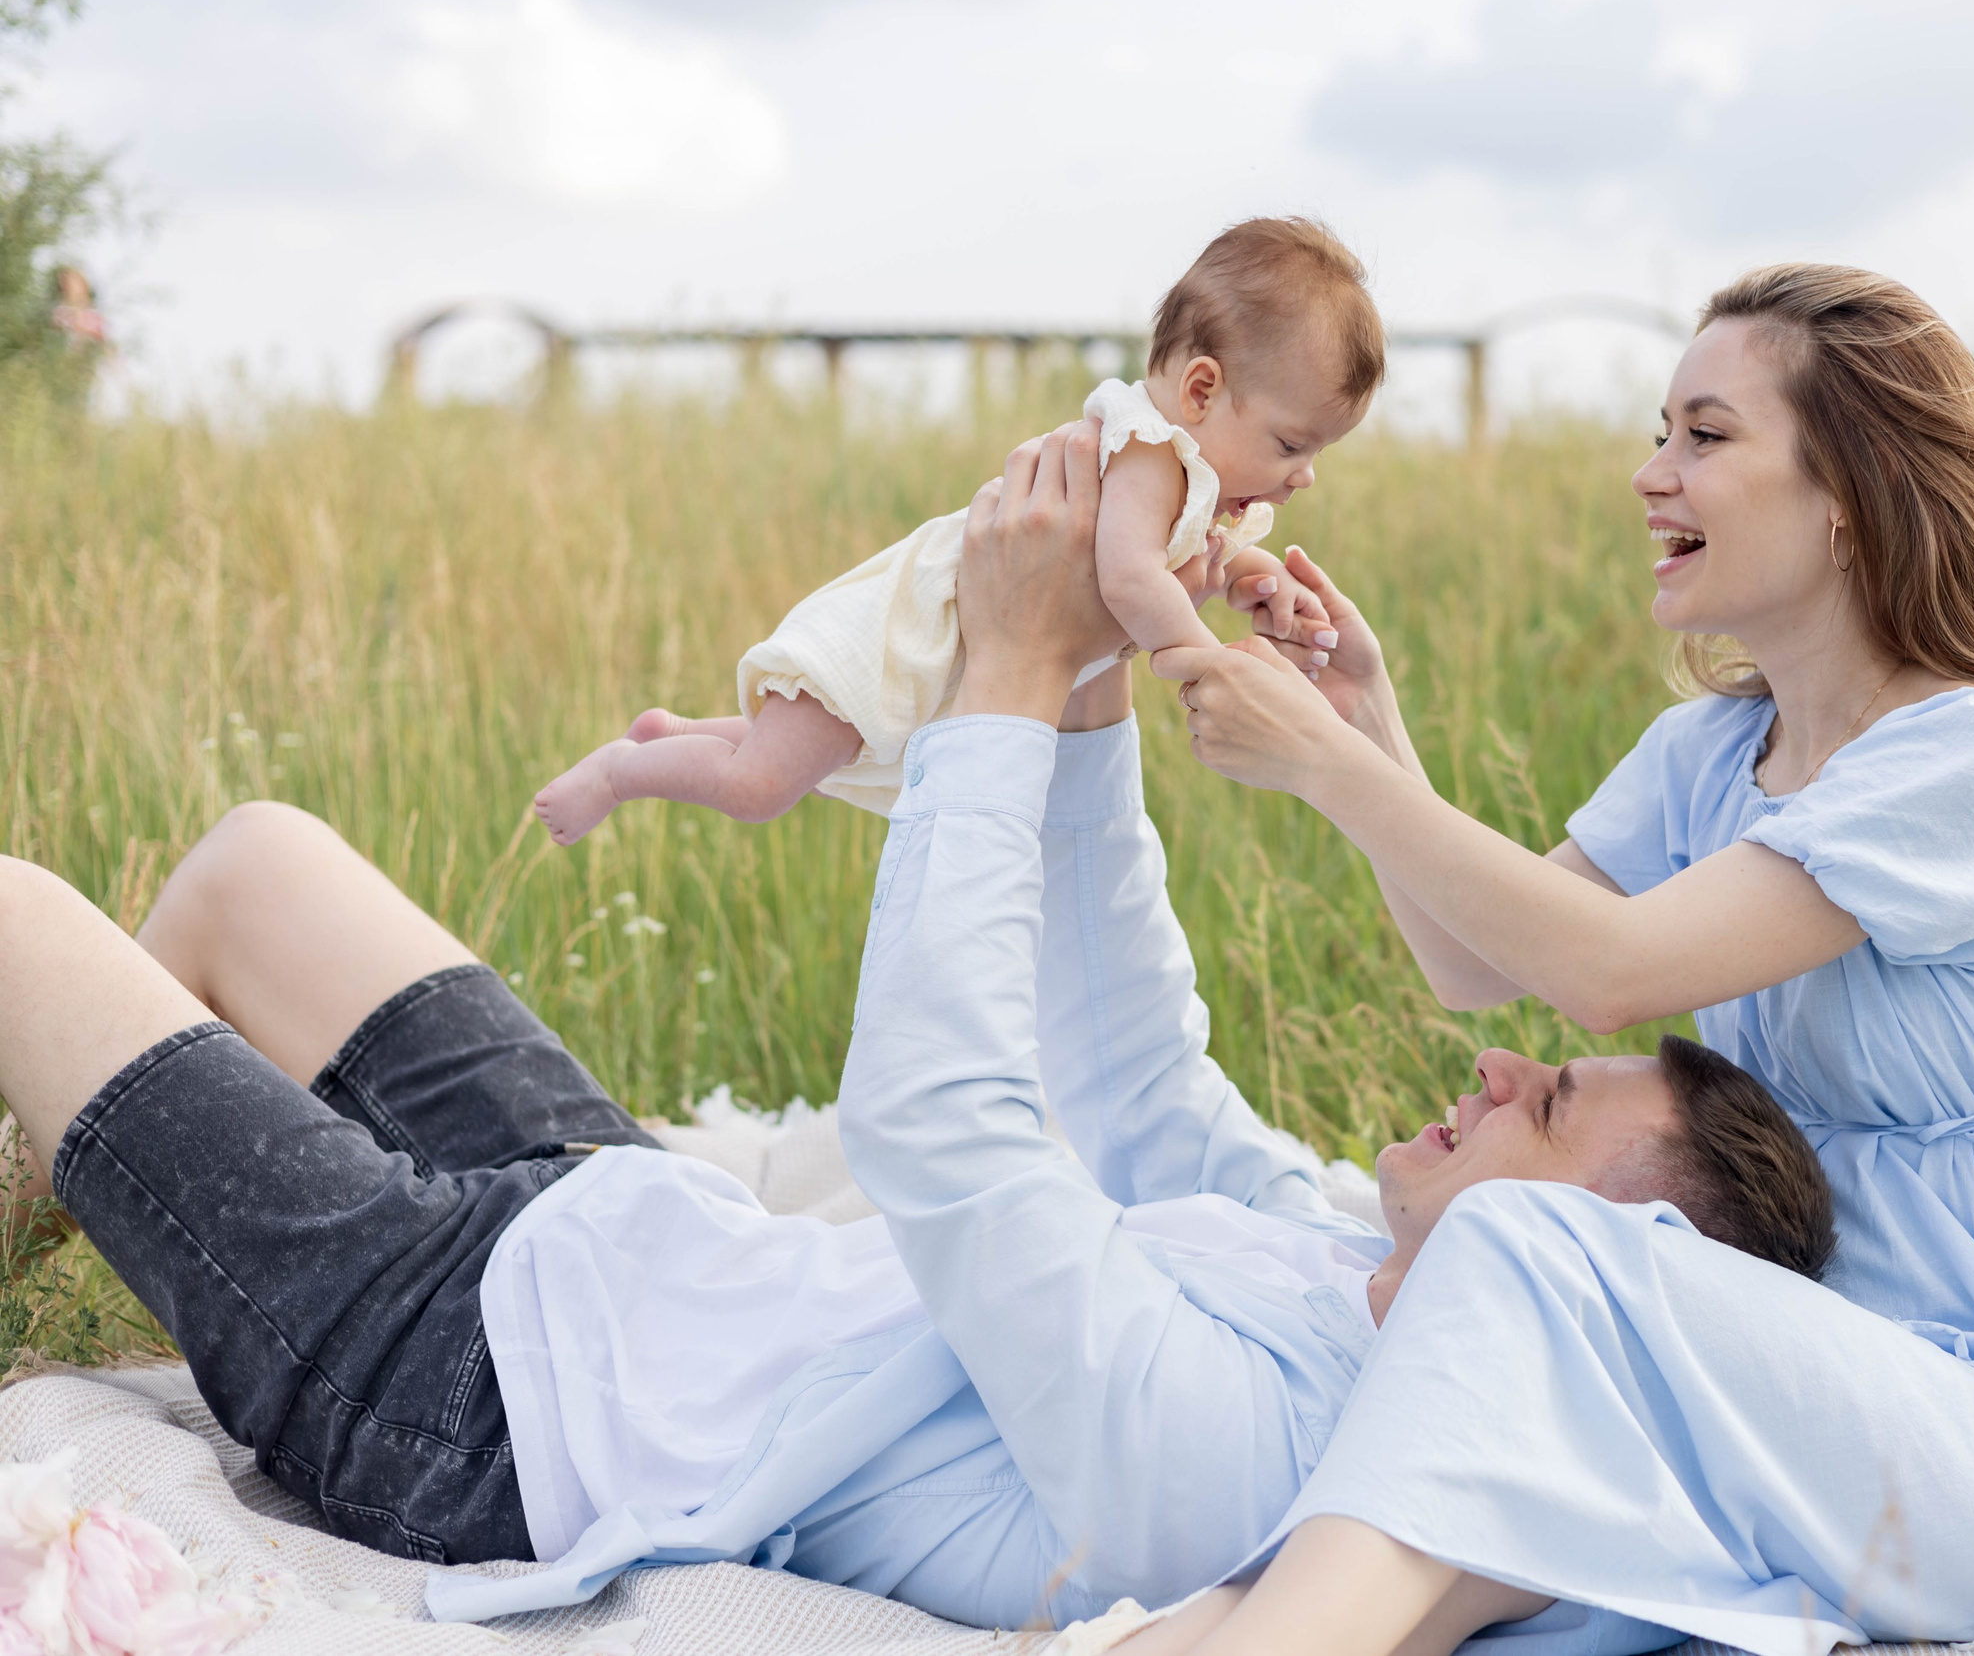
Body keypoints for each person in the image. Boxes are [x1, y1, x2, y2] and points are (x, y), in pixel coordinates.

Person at [0, 426, 1833, 1646]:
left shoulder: (1256, 1453)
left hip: (484, 1404)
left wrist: (1003, 686)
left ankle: (157, 1203)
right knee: (256, 866)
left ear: (1615, 1259)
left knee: (13, 910)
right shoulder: (1337, 1256)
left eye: (1566, 1099)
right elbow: (1129, 1073)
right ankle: (76, 1212)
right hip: (623, 1236)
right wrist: (1104, 682)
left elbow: (956, 1135)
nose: (1510, 1064)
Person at [1144, 262, 1974, 1656]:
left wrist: (1332, 768)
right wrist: (1367, 710)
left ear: (1850, 495)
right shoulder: (1715, 755)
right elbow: (1474, 959)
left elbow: (1611, 973)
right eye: (1663, 431)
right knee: (1475, 1500)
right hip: (1778, 1374)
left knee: (1525, 1257)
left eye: (1705, 436)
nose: (1652, 474)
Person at [529, 216, 1372, 845]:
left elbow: (1187, 559)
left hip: (965, 657)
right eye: (1292, 444)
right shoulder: (1151, 453)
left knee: (807, 755)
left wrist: (1258, 577)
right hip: (914, 633)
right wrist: (1206, 663)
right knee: (760, 787)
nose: (1303, 475)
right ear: (1200, 390)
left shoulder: (1191, 479)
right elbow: (1130, 576)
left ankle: (673, 736)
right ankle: (621, 771)